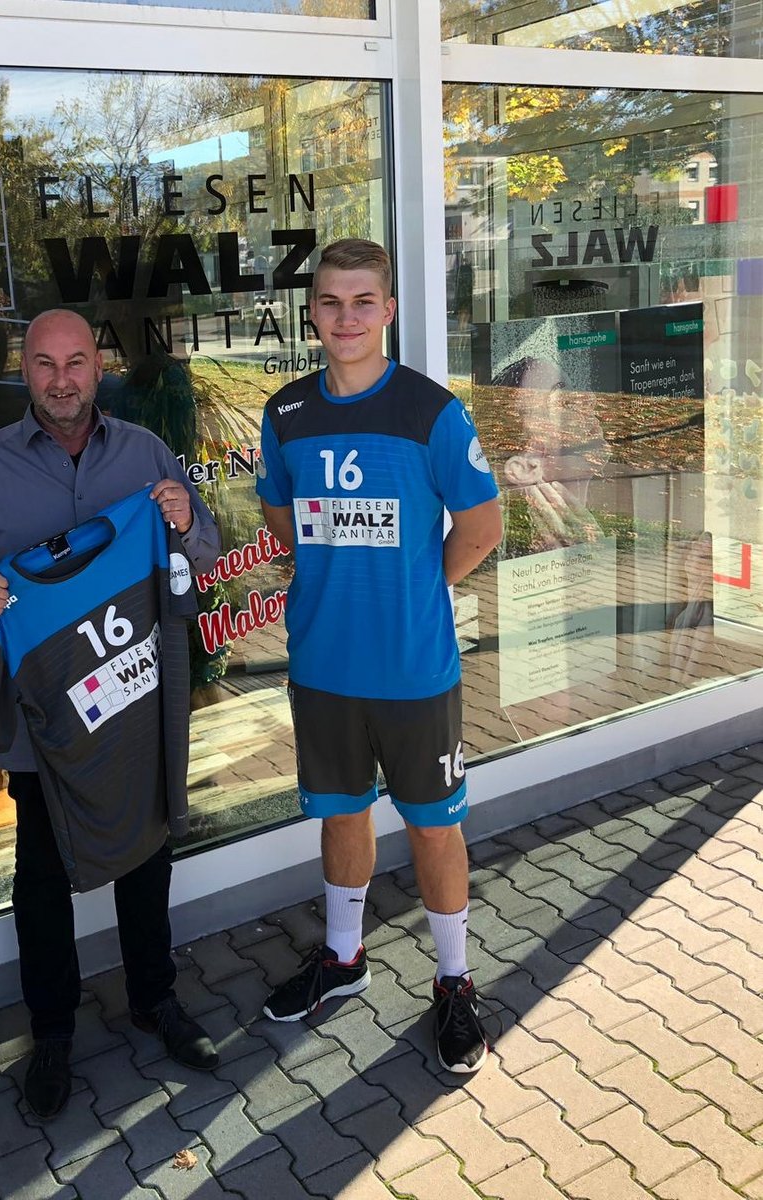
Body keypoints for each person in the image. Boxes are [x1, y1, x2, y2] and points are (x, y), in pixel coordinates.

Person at [0, 309, 222, 1119]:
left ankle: (154, 999)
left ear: (98, 367)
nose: (61, 380)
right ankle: (52, 1031)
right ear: (24, 370)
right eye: (44, 364)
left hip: (131, 703)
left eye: (76, 362)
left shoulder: (145, 454)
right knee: (40, 874)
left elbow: (201, 552)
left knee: (146, 856)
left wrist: (185, 519)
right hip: (42, 717)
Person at [255, 239, 502, 1073]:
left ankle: (454, 981)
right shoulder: (286, 413)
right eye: (331, 301)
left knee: (433, 825)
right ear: (312, 313)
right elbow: (281, 517)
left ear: (388, 310)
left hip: (410, 668)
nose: (347, 317)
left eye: (364, 301)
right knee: (341, 812)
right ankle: (343, 959)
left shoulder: (431, 412)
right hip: (323, 665)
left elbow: (481, 528)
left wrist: (413, 587)